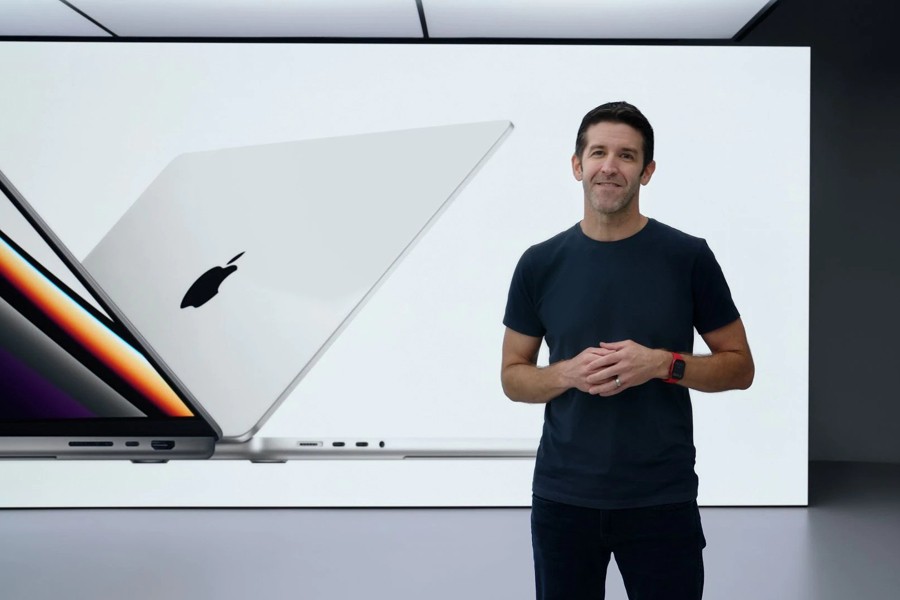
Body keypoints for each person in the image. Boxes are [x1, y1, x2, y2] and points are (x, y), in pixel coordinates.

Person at [501, 101, 754, 600]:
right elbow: (513, 376)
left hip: (661, 497)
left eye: (627, 155)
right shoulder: (539, 263)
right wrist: (567, 374)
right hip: (563, 497)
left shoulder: (688, 257)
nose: (610, 166)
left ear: (647, 170)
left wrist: (663, 363)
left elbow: (740, 367)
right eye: (598, 153)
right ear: (577, 165)